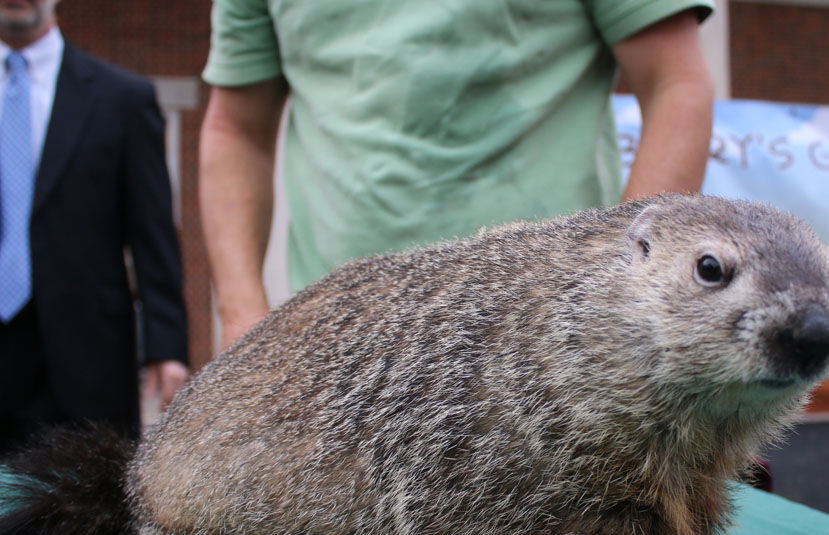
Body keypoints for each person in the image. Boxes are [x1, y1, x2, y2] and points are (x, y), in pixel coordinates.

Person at [200, 0, 716, 349]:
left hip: (543, 339)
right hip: (336, 346)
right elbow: (236, 131)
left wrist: (622, 299)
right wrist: (243, 317)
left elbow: (677, 84)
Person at [0, 0, 189, 453]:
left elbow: (152, 231)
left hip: (87, 356)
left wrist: (166, 345)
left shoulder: (122, 98)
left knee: (85, 514)